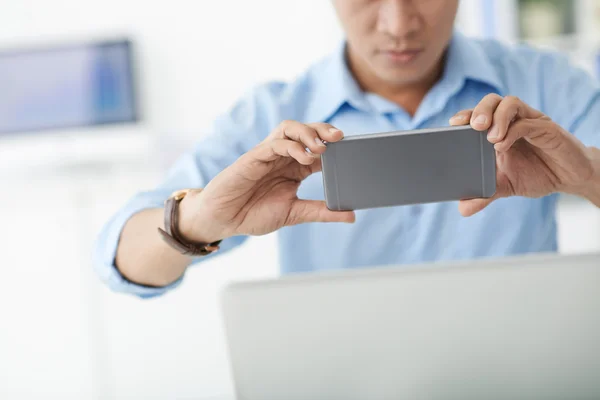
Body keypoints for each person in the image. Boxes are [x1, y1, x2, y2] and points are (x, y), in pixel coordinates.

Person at [93, 0, 600, 298]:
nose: (398, 24)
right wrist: (201, 218)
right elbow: (123, 264)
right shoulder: (273, 113)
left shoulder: (545, 84)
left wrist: (585, 176)